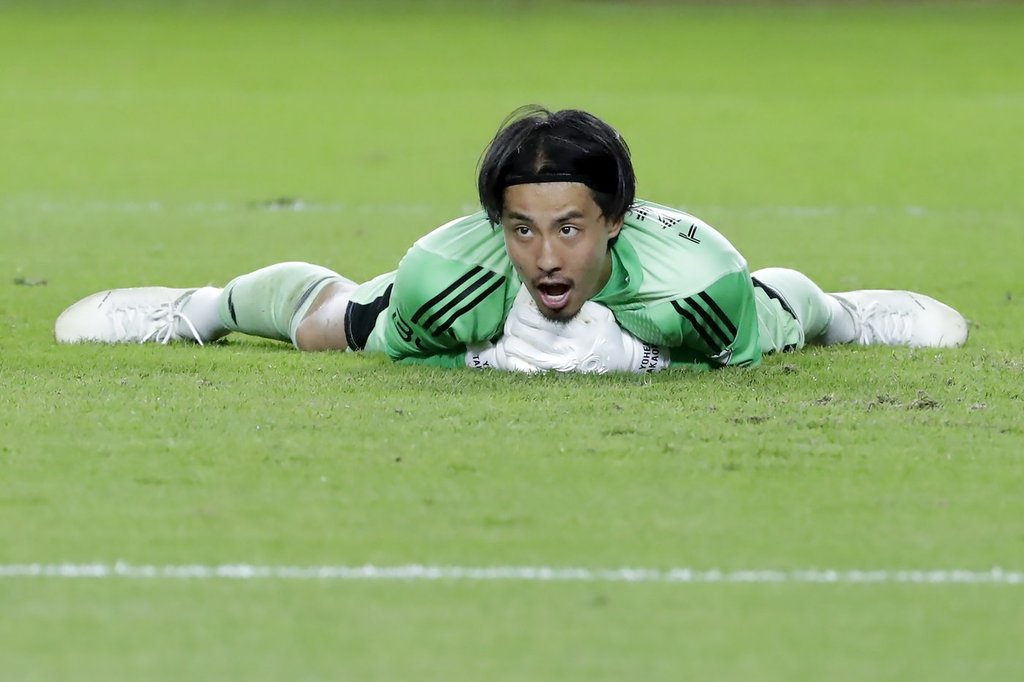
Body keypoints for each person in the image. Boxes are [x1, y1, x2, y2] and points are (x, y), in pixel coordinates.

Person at [54, 106, 968, 373]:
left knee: (788, 312)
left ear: (613, 217)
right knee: (337, 318)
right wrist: (481, 357)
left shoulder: (695, 285)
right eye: (522, 230)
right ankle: (193, 310)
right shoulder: (447, 274)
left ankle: (854, 312)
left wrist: (627, 357)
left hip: (701, 304)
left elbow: (725, 361)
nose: (546, 257)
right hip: (455, 309)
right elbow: (396, 346)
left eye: (571, 228)